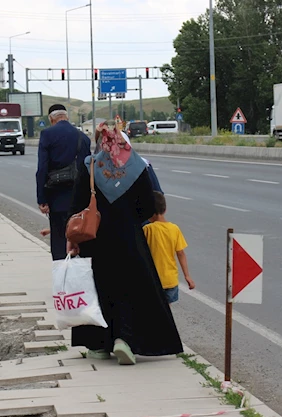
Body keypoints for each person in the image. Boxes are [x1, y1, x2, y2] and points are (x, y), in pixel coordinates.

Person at [67, 121, 183, 365]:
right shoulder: (137, 168)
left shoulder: (90, 167)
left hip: (95, 240)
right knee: (130, 288)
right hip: (129, 238)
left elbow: (77, 204)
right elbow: (149, 206)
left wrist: (72, 241)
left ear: (99, 141)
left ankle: (98, 345)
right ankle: (125, 339)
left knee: (99, 287)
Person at [36, 104, 91, 260]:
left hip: (56, 199)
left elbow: (42, 169)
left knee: (60, 241)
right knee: (79, 238)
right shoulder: (83, 138)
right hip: (80, 201)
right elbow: (87, 170)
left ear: (51, 119)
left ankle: (63, 277)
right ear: (66, 117)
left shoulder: (47, 134)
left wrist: (42, 199)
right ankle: (80, 279)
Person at [143, 191, 195, 304]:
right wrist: (187, 276)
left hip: (153, 280)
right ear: (165, 210)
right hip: (170, 280)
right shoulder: (175, 229)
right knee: (167, 312)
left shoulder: (147, 229)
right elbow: (181, 253)